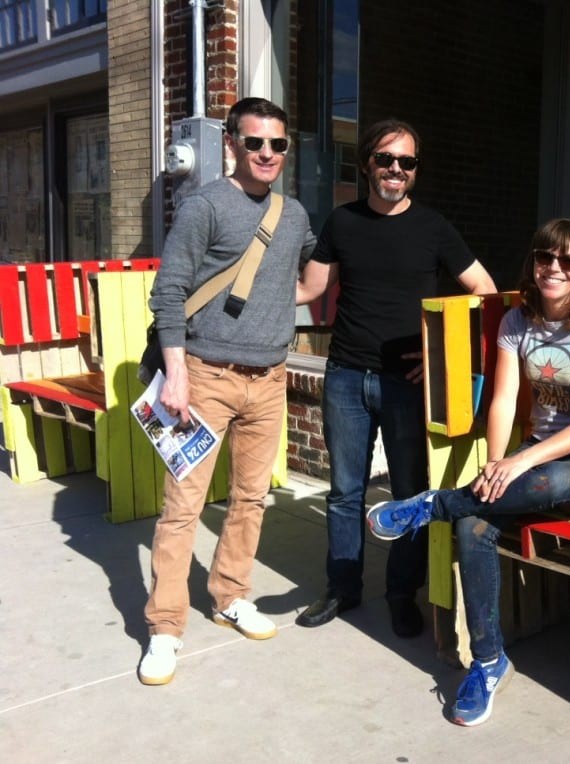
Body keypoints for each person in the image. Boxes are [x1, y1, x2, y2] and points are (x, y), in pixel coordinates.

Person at [365, 218, 570, 726]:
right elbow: (504, 399)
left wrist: (520, 461)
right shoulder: (517, 321)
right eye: (545, 257)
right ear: (534, 262)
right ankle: (489, 662)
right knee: (473, 524)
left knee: (547, 480)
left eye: (568, 261)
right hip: (532, 454)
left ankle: (430, 505)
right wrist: (494, 464)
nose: (554, 268)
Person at [138, 97, 317, 685]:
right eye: (255, 142)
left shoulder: (292, 215)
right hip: (205, 377)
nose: (267, 153)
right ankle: (165, 628)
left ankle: (231, 594)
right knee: (183, 508)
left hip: (269, 379)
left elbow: (314, 271)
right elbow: (169, 293)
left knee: (249, 500)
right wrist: (178, 374)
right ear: (232, 145)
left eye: (278, 144)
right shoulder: (205, 205)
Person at [295, 118, 496, 638]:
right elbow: (308, 289)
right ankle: (342, 587)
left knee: (409, 492)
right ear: (367, 163)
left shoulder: (433, 227)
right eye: (386, 159)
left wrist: (443, 355)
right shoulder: (342, 222)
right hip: (345, 376)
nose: (396, 170)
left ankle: (402, 593)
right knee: (344, 492)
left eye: (407, 162)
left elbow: (486, 293)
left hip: (408, 385)